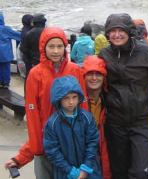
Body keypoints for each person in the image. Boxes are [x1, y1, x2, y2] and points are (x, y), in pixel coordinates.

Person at [5, 27, 88, 179]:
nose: (56, 51)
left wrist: (83, 139)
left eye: (59, 46)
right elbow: (32, 114)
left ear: (65, 47)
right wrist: (33, 150)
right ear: (43, 47)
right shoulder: (35, 74)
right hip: (46, 143)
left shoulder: (75, 70)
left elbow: (83, 108)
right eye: (51, 46)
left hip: (71, 142)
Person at [98, 13, 148, 179]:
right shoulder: (104, 55)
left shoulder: (146, 52)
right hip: (115, 123)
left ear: (130, 31)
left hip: (143, 121)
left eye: (122, 30)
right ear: (107, 33)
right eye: (113, 30)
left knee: (143, 172)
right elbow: (94, 80)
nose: (117, 34)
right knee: (118, 171)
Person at [43, 75, 102, 179]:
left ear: (79, 97)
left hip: (89, 171)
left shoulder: (87, 118)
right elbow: (52, 150)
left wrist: (86, 167)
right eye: (66, 98)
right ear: (58, 99)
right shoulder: (52, 123)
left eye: (74, 97)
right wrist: (69, 170)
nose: (71, 102)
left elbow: (93, 142)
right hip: (65, 173)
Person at [82, 56, 111, 179]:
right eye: (90, 74)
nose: (94, 78)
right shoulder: (75, 102)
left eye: (98, 74)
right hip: (84, 159)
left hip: (104, 157)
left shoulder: (109, 101)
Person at [20, 13, 47, 78]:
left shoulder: (29, 33)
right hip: (45, 60)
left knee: (30, 77)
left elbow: (23, 49)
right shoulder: (47, 32)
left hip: (32, 61)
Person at [0, 12, 21, 88]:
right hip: (5, 54)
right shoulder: (6, 29)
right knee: (5, 68)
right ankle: (5, 83)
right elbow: (19, 36)